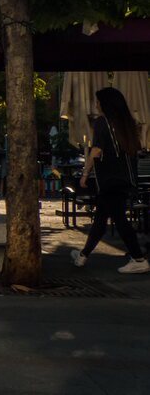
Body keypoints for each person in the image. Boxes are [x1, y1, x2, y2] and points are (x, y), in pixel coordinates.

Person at [72, 87, 148, 274]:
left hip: (109, 180)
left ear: (105, 104)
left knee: (120, 220)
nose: (96, 105)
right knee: (101, 219)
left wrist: (84, 174)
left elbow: (96, 151)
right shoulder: (127, 124)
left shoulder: (102, 122)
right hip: (124, 180)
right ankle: (83, 256)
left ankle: (139, 258)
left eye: (98, 102)